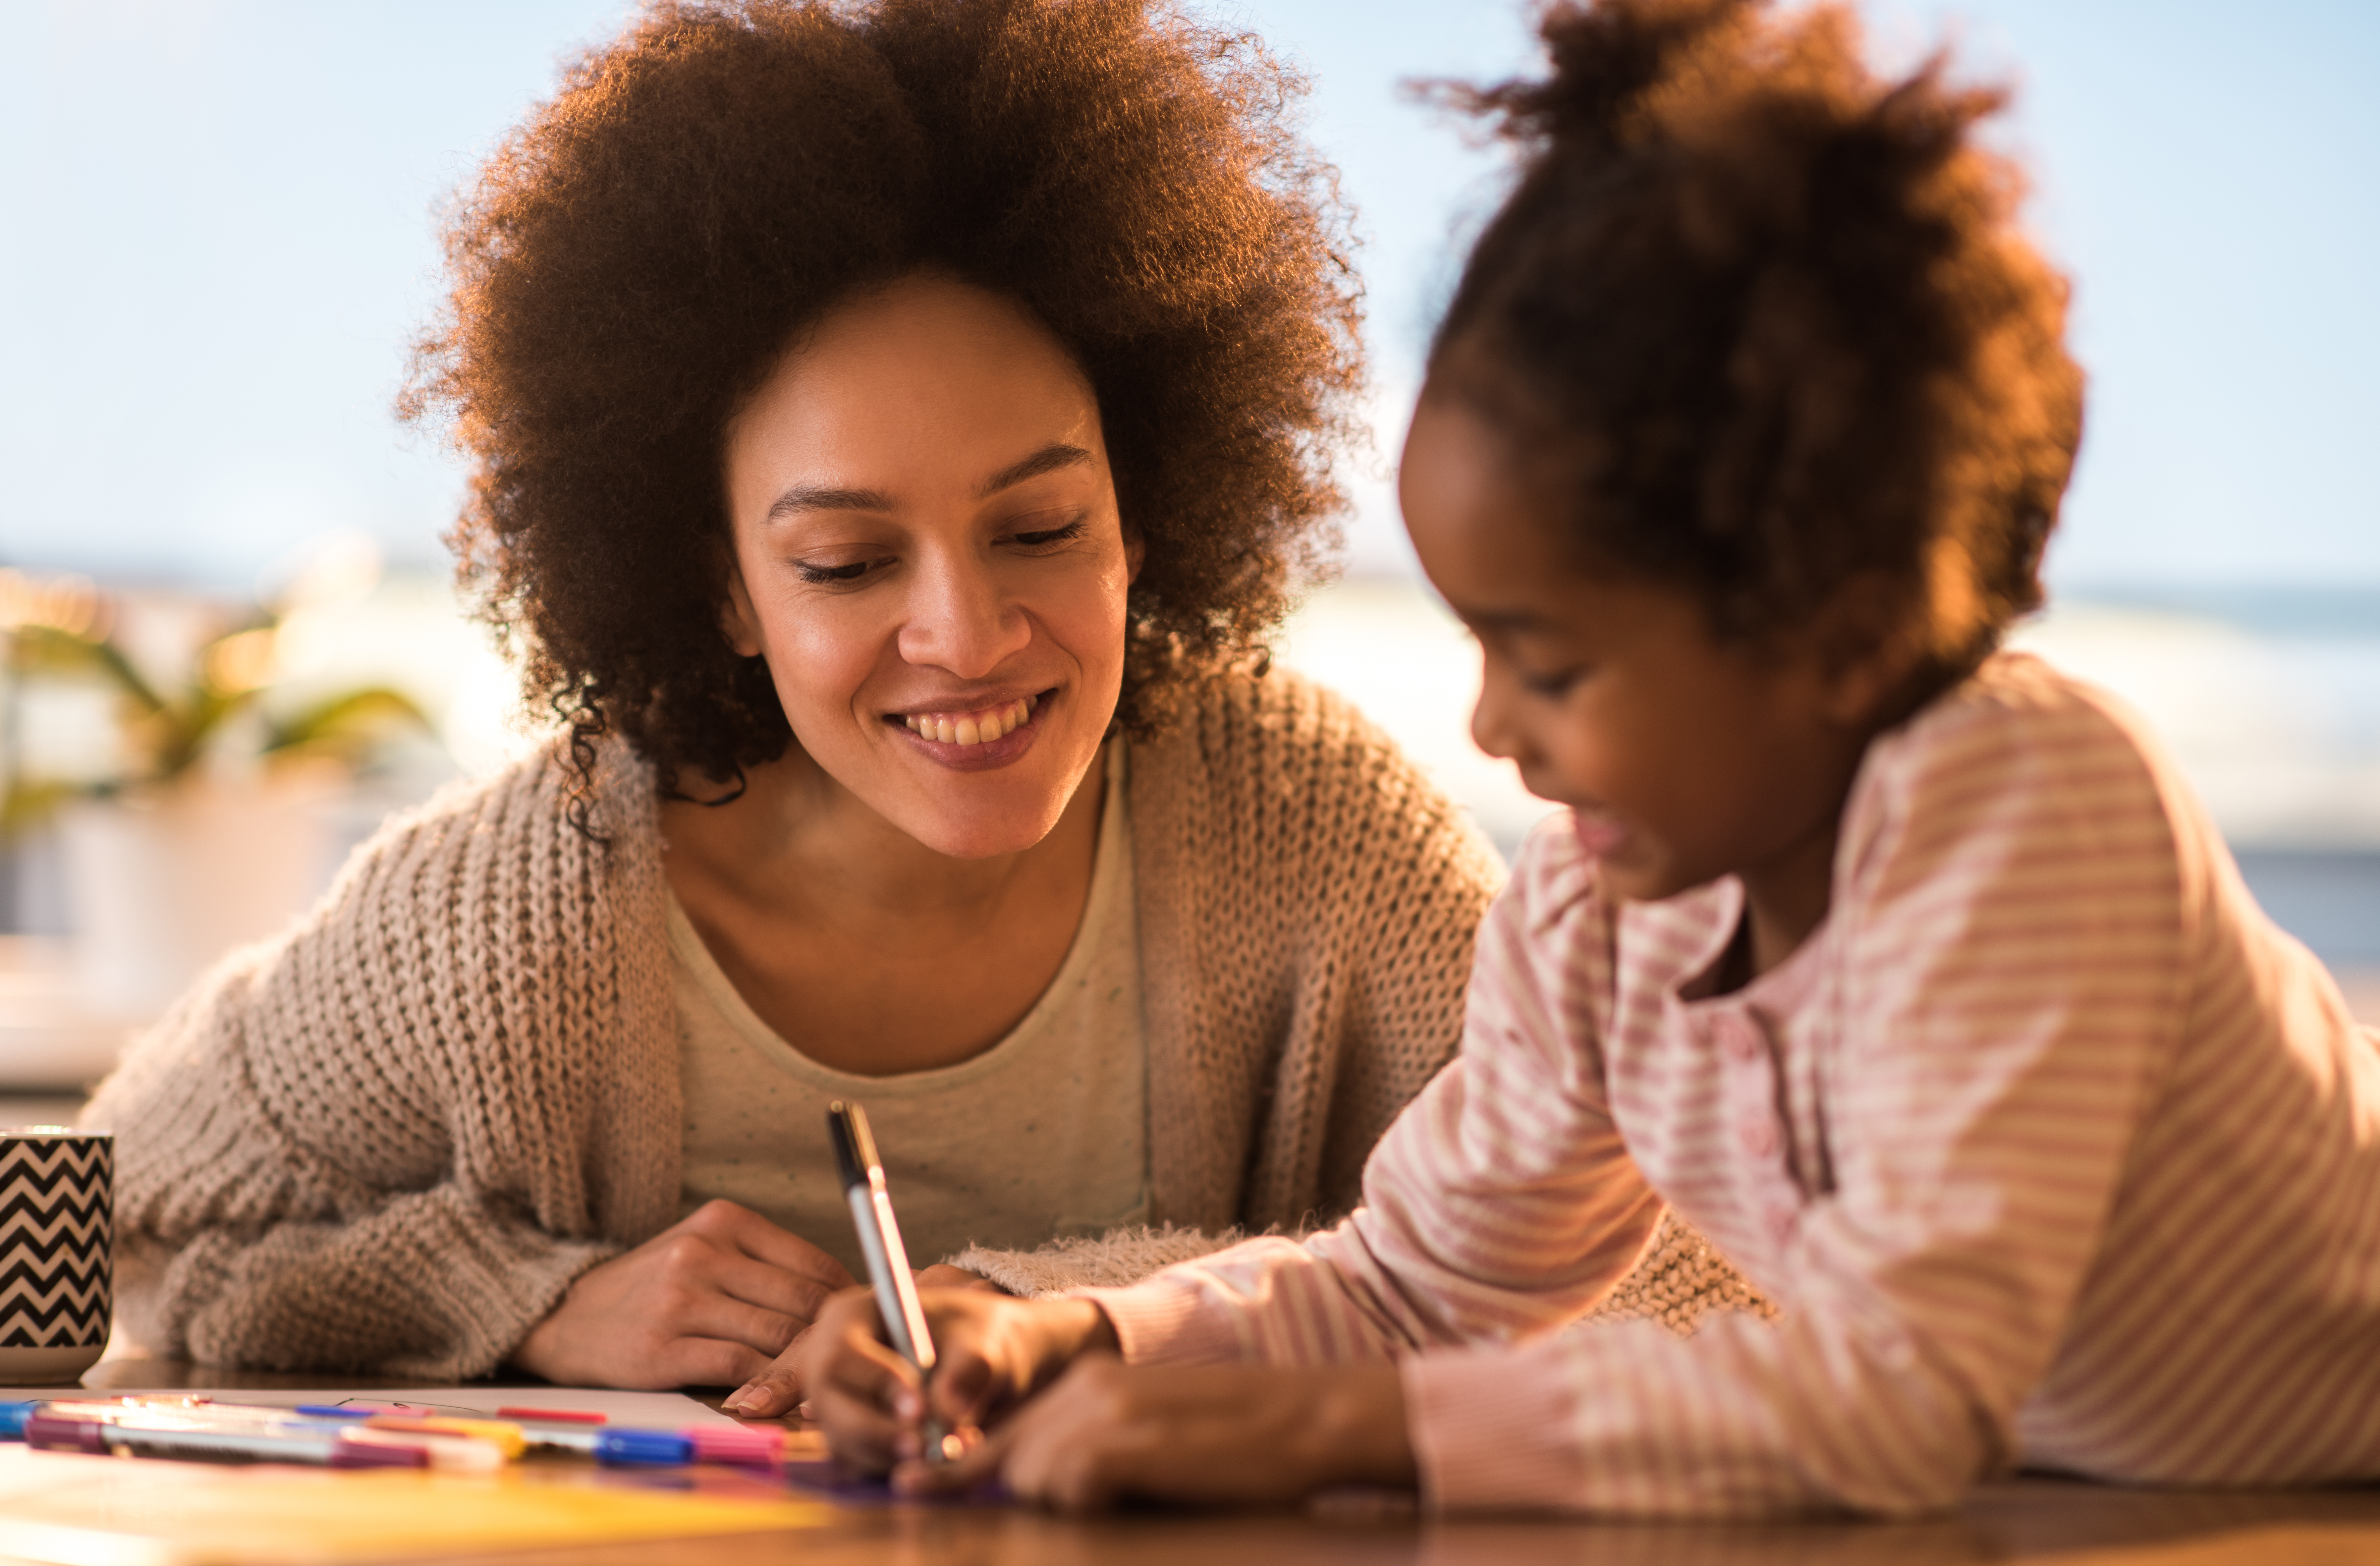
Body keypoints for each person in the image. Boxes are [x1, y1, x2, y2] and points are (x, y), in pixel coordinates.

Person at [800, 0, 2380, 1514]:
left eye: (1549, 661)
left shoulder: (2025, 810)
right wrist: (1087, 1338)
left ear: (1831, 627)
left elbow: (1894, 1395)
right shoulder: (1598, 923)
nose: (1491, 726)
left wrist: (1314, 1427)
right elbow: (1415, 1289)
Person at [80, 0, 1760, 1395]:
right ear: (723, 587)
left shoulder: (1298, 826)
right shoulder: (526, 921)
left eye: (1038, 526)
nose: (965, 633)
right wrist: (527, 1306)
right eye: (844, 565)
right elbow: (125, 1220)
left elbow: (1709, 1269)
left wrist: (1064, 1312)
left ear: (1142, 511)